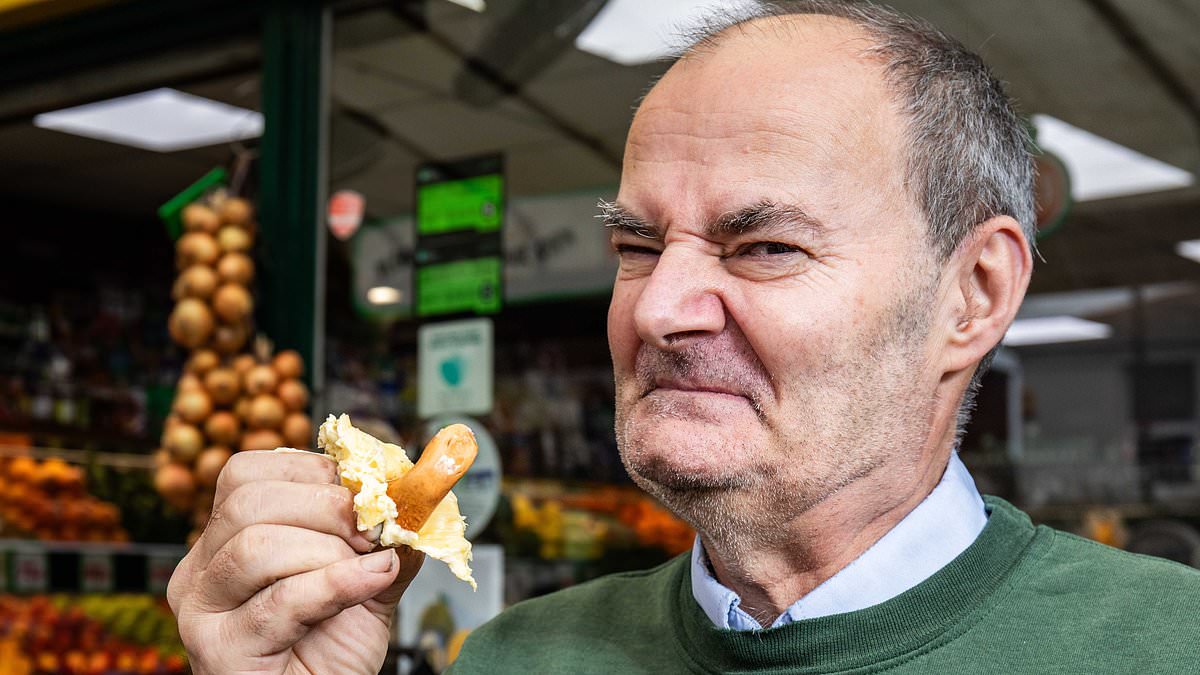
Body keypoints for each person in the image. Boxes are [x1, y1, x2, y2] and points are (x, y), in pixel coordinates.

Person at [167, 2, 1200, 673]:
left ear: (973, 295)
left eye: (763, 248)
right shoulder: (517, 660)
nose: (658, 309)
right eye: (636, 245)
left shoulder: (1165, 646)